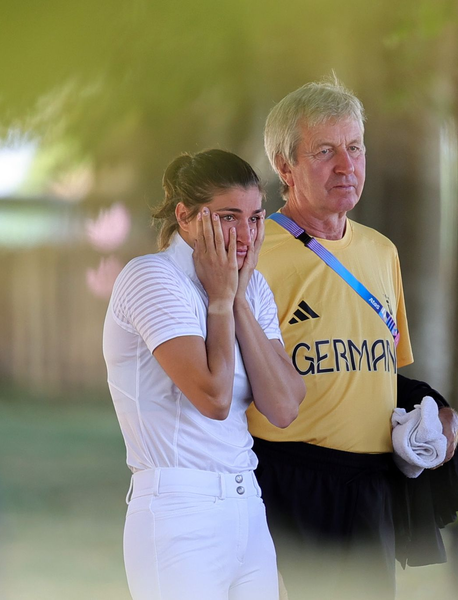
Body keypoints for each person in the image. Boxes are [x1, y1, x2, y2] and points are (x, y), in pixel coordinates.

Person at [246, 79, 458, 600]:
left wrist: (437, 415)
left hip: (371, 487)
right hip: (286, 481)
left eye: (356, 147)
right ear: (284, 166)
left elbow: (381, 373)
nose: (347, 166)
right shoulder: (254, 252)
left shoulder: (381, 251)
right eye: (325, 152)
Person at [103, 149, 305, 600]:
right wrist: (219, 299)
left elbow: (285, 407)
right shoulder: (151, 278)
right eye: (228, 217)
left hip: (247, 505)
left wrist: (237, 300)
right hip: (179, 513)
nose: (246, 235)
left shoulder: (252, 286)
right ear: (185, 216)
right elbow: (213, 399)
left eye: (255, 218)